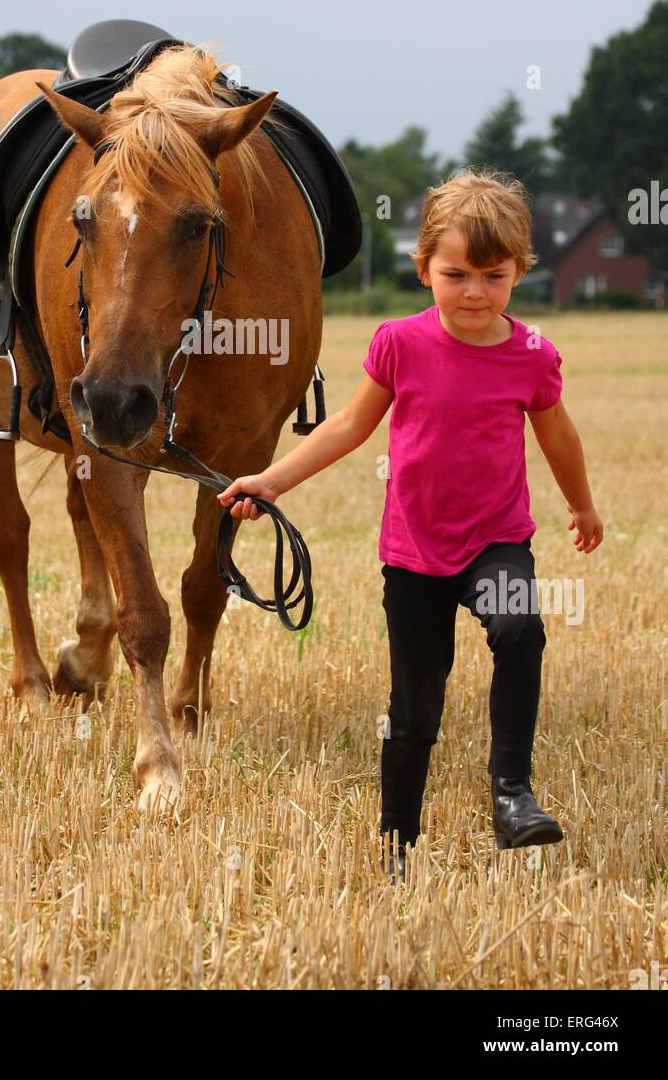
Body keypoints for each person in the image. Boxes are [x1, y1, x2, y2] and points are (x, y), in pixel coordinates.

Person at [217, 168, 603, 883]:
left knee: (520, 629)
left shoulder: (531, 356)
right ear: (424, 267)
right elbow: (348, 426)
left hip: (497, 543)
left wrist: (580, 504)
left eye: (494, 275)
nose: (475, 293)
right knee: (414, 705)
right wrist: (271, 480)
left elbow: (559, 437)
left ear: (521, 270)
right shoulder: (400, 343)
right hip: (415, 555)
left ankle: (512, 793)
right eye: (456, 274)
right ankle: (398, 843)